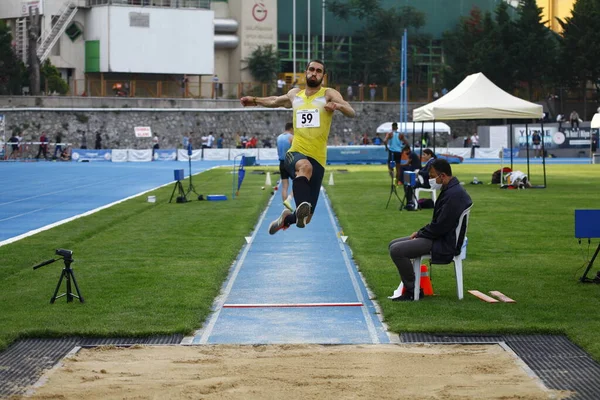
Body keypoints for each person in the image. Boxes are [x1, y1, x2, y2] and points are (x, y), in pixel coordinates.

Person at [240, 59, 356, 234]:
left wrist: (338, 106)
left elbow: (351, 112)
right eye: (311, 69)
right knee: (305, 167)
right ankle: (300, 206)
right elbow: (274, 100)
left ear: (323, 76)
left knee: (307, 218)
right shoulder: (295, 94)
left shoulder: (328, 94)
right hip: (295, 153)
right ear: (306, 72)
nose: (314, 73)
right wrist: (254, 100)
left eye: (318, 71)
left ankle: (288, 218)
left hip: (319, 157)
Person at [388, 158, 473, 301]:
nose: (430, 179)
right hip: (439, 237)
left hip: (443, 242)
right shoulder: (451, 190)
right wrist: (421, 233)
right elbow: (439, 224)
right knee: (393, 244)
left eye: (433, 176)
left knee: (396, 250)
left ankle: (412, 290)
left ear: (443, 176)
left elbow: (441, 226)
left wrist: (421, 233)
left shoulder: (454, 195)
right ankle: (413, 287)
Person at [276, 122, 295, 211]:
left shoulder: (278, 137)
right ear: (291, 128)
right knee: (298, 183)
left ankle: (285, 208)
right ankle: (289, 199)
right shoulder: (292, 137)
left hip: (281, 163)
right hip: (290, 162)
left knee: (284, 186)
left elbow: (278, 150)